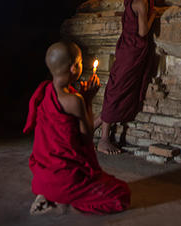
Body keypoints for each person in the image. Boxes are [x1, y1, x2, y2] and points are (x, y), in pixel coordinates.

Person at [23, 41, 130, 215]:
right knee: (121, 194)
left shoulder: (45, 91)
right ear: (74, 68)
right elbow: (87, 138)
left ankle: (47, 195)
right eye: (80, 62)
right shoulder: (74, 100)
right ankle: (65, 202)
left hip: (44, 176)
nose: (82, 65)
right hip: (67, 178)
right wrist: (88, 100)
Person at [96, 0, 176, 154]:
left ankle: (88, 129)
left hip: (128, 50)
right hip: (131, 52)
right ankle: (104, 139)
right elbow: (142, 32)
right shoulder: (140, 3)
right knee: (117, 90)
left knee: (120, 89)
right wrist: (153, 15)